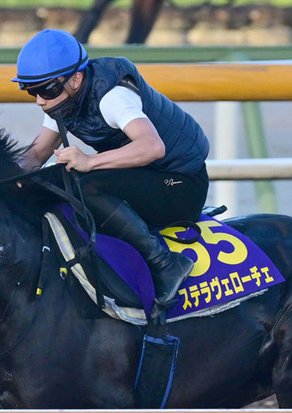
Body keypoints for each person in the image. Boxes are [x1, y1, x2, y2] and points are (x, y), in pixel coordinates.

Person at [13, 28, 211, 310]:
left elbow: (153, 146)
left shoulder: (112, 97)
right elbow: (35, 154)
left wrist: (90, 161)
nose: (39, 100)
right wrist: (2, 176)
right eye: (31, 90)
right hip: (148, 177)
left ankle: (165, 264)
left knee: (86, 184)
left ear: (76, 79)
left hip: (181, 184)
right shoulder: (64, 101)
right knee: (60, 181)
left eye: (46, 90)